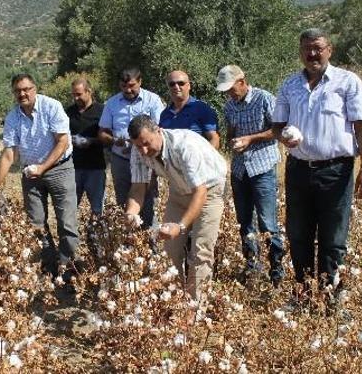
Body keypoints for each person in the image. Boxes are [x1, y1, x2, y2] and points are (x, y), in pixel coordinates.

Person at [272, 28, 362, 298]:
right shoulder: (289, 85)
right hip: (298, 171)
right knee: (298, 234)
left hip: (336, 171)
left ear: (330, 50)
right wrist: (284, 137)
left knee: (333, 238)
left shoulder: (348, 82)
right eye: (307, 48)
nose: (312, 53)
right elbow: (278, 126)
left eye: (318, 47)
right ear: (300, 52)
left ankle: (331, 297)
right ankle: (303, 294)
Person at [0, 73, 80, 278]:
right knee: (36, 224)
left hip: (59, 169)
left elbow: (62, 142)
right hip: (31, 174)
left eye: (26, 89)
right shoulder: (12, 118)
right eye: (18, 91)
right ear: (13, 93)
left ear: (35, 89)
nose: (23, 94)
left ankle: (69, 270)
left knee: (67, 223)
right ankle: (50, 269)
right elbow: (9, 155)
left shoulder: (51, 107)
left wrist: (43, 168)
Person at [125, 115, 227, 299]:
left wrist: (180, 227)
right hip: (179, 190)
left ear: (158, 130)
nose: (144, 150)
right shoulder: (138, 150)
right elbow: (138, 186)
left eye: (147, 143)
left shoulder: (184, 145)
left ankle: (196, 309)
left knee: (200, 250)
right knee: (169, 249)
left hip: (209, 190)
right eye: (139, 146)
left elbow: (200, 191)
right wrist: (131, 214)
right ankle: (175, 302)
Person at [218, 65, 284, 287]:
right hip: (239, 170)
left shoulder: (264, 99)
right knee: (244, 221)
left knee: (267, 223)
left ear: (242, 81)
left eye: (231, 88)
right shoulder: (229, 106)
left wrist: (250, 139)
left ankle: (277, 272)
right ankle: (253, 268)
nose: (229, 94)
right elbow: (230, 133)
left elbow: (278, 130)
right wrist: (233, 141)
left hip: (262, 168)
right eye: (226, 91)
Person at [98, 68, 164, 229]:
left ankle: (151, 240)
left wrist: (137, 145)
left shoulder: (153, 100)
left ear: (140, 82)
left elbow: (160, 128)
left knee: (149, 199)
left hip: (147, 158)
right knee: (124, 200)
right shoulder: (112, 103)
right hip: (120, 160)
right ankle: (130, 240)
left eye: (132, 86)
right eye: (123, 86)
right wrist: (114, 140)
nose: (128, 90)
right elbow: (102, 132)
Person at [65, 78, 106, 216]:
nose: (76, 98)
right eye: (73, 95)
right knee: (69, 207)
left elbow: (108, 139)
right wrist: (70, 140)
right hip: (73, 168)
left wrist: (91, 141)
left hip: (95, 168)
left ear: (89, 92)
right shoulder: (69, 112)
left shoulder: (102, 111)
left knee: (97, 208)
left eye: (79, 94)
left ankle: (95, 236)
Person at [159, 70, 220, 149]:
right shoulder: (165, 114)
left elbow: (214, 138)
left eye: (181, 83)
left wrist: (205, 158)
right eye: (172, 84)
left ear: (189, 86)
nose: (176, 87)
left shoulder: (202, 109)